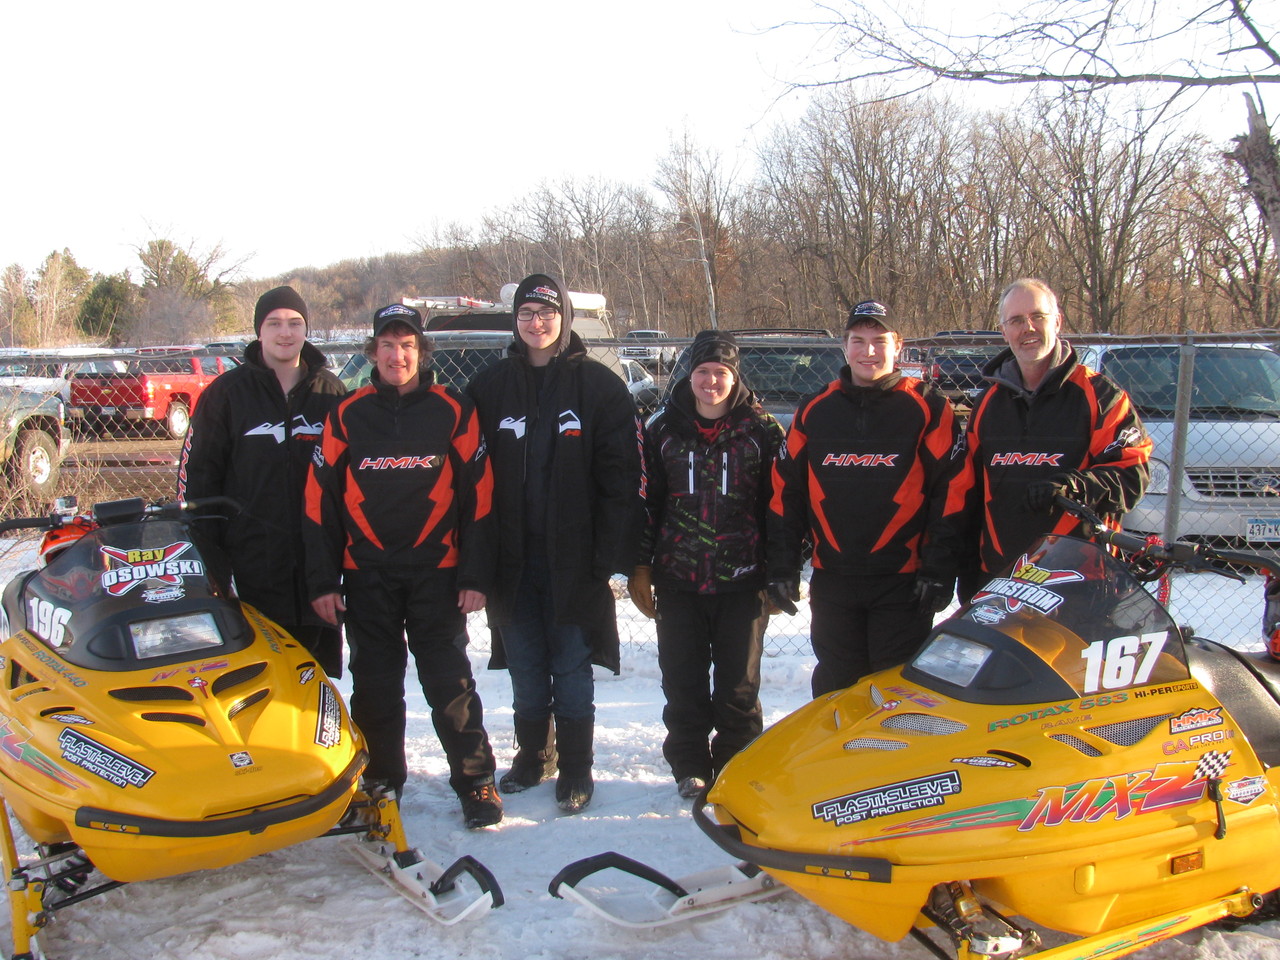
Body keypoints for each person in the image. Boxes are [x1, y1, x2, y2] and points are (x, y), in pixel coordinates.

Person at [303, 303, 502, 829]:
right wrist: (323, 579)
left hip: (437, 571)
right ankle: (380, 781)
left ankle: (476, 782)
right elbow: (316, 502)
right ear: (372, 353)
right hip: (366, 574)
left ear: (421, 351)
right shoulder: (347, 414)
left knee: (450, 682)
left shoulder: (453, 410)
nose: (397, 355)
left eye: (408, 345)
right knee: (374, 685)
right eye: (388, 346)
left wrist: (476, 575)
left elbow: (479, 499)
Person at [465, 274, 642, 814]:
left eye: (546, 313)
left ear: (564, 318)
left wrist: (616, 557)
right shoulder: (489, 387)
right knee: (524, 665)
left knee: (569, 666)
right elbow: (466, 476)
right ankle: (531, 757)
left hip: (575, 561)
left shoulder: (598, 387)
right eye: (526, 314)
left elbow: (624, 477)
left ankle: (576, 768)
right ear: (514, 322)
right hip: (511, 560)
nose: (536, 323)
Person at [768, 300, 964, 698]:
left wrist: (939, 568)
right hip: (833, 580)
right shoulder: (815, 410)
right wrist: (781, 564)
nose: (868, 351)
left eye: (879, 341)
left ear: (898, 345)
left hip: (902, 582)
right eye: (858, 341)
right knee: (837, 693)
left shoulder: (929, 407)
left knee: (895, 695)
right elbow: (784, 491)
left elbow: (954, 491)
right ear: (845, 345)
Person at [628, 330, 783, 798]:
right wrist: (640, 565)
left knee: (738, 687)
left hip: (743, 579)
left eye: (721, 372)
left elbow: (781, 505)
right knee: (683, 681)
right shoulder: (659, 428)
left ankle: (736, 762)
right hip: (679, 578)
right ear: (689, 375)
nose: (711, 381)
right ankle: (690, 764)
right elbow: (645, 501)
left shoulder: (762, 430)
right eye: (702, 372)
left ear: (735, 377)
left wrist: (780, 572)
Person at [939, 278, 1152, 602]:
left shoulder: (1100, 396)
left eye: (1037, 316)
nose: (1028, 328)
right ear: (1004, 330)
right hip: (1000, 579)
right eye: (1016, 320)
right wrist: (965, 572)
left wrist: (1074, 487)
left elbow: (1132, 473)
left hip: (1080, 581)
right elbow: (968, 494)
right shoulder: (986, 404)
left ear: (1057, 321)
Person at [177, 285, 345, 677]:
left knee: (313, 677)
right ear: (259, 331)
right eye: (274, 323)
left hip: (317, 561)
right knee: (260, 675)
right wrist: (212, 563)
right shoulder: (226, 394)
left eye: (295, 323)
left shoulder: (330, 392)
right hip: (252, 562)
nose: (285, 332)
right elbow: (197, 480)